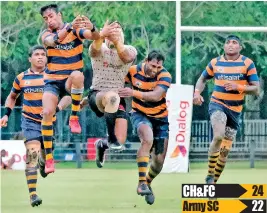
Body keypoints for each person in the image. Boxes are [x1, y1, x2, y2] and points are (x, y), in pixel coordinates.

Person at [0, 45, 71, 207]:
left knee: (46, 157)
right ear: (30, 58)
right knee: (32, 155)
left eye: (43, 54)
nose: (40, 57)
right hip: (29, 122)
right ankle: (33, 194)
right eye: (37, 54)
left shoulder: (54, 76)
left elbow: (68, 97)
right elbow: (11, 97)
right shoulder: (21, 78)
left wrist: (56, 109)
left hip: (47, 123)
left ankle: (43, 162)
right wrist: (5, 114)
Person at [39, 4, 100, 173]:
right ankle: (50, 160)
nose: (49, 21)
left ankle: (74, 117)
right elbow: (53, 41)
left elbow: (95, 36)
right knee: (46, 113)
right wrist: (68, 27)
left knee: (78, 75)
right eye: (45, 19)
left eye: (51, 16)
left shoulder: (75, 31)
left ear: (59, 15)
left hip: (69, 80)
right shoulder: (47, 35)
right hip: (52, 82)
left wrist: (92, 27)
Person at [193, 35, 260, 184]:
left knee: (224, 153)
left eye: (234, 43)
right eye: (227, 42)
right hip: (218, 103)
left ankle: (213, 183)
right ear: (223, 46)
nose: (230, 45)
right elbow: (202, 78)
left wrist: (239, 87)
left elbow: (256, 89)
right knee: (218, 136)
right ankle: (210, 174)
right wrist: (196, 93)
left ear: (240, 47)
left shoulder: (247, 63)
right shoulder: (215, 62)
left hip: (235, 110)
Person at [80, 20, 137, 168]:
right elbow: (93, 51)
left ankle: (102, 145)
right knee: (112, 97)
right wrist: (100, 36)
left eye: (117, 30)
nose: (113, 34)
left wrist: (117, 41)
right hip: (97, 94)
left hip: (118, 99)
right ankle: (111, 137)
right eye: (110, 31)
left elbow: (127, 58)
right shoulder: (100, 47)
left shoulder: (130, 49)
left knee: (121, 140)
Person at [118, 50, 172, 205]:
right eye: (153, 65)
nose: (155, 69)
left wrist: (133, 92)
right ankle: (141, 182)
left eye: (158, 67)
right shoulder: (133, 70)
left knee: (159, 162)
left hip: (160, 119)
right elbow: (117, 82)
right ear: (146, 61)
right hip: (139, 114)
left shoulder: (165, 75)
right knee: (147, 138)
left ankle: (147, 182)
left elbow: (156, 95)